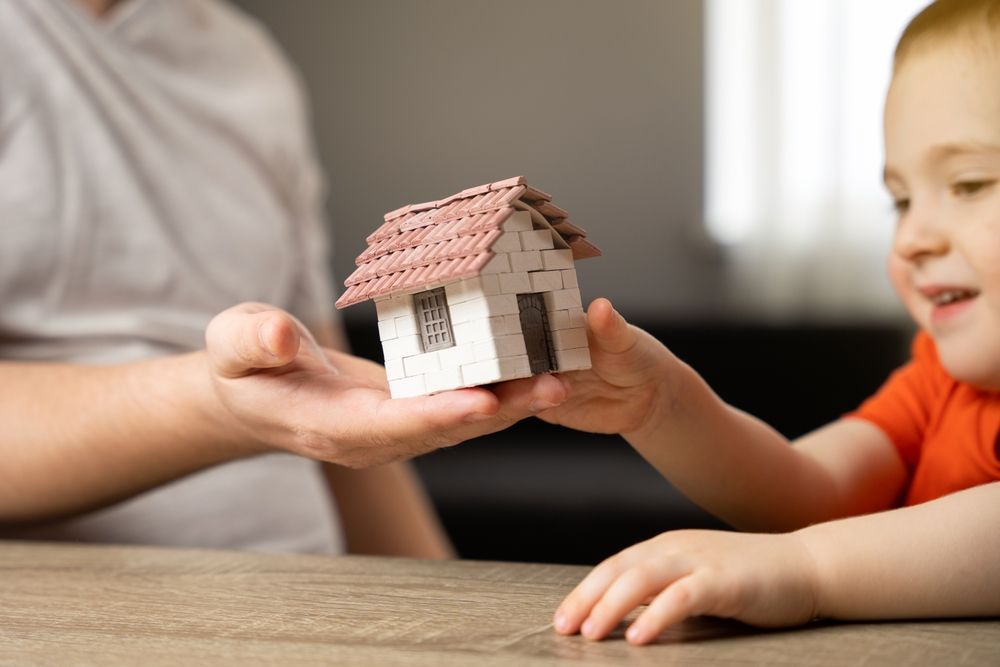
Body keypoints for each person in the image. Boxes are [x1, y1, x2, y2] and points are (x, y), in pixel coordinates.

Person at [0, 0, 566, 555]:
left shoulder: (245, 58)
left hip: (307, 578)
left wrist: (441, 594)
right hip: (88, 594)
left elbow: (329, 386)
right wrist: (218, 405)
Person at [539, 0, 1000, 645]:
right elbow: (807, 490)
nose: (912, 238)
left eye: (970, 184)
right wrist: (661, 406)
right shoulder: (938, 385)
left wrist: (808, 567)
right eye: (900, 201)